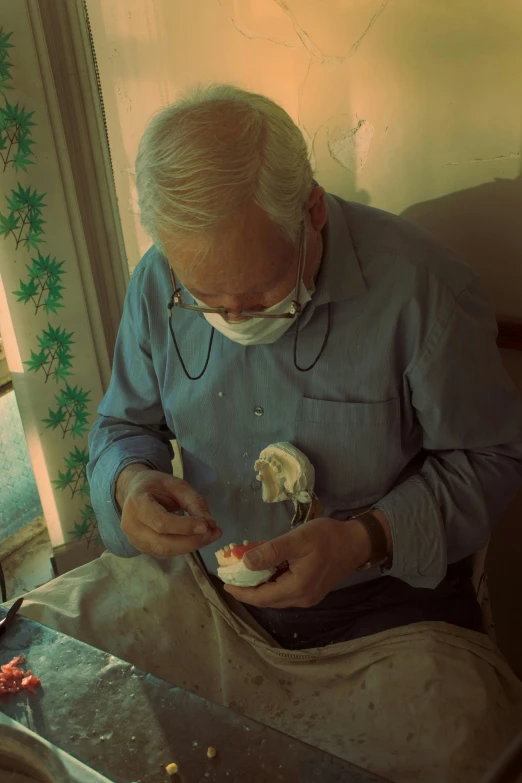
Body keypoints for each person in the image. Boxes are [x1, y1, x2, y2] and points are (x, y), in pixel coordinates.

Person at [87, 83, 522, 649]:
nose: (235, 318)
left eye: (262, 290)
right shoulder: (157, 282)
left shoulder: (421, 290)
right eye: (207, 298)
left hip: (383, 603)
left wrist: (366, 539)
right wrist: (130, 481)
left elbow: (493, 457)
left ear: (312, 211)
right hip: (211, 595)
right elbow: (122, 427)